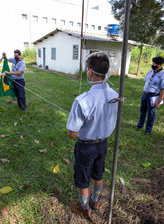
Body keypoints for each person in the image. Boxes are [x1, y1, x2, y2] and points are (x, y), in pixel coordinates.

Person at [66, 52, 118, 217]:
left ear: (90, 72)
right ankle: (95, 201)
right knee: (98, 174)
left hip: (86, 147)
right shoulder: (115, 95)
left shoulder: (82, 100)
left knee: (83, 179)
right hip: (103, 144)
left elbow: (72, 134)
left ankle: (85, 208)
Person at [136, 56, 164, 135]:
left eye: (155, 64)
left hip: (153, 96)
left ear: (160, 65)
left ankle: (148, 130)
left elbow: (163, 89)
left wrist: (158, 101)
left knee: (151, 113)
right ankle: (140, 125)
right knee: (142, 110)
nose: (153, 65)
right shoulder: (150, 72)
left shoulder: (163, 75)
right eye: (153, 63)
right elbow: (147, 82)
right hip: (145, 94)